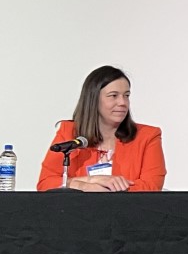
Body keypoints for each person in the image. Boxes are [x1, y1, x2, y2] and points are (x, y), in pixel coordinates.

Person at [37, 66, 166, 192]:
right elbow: (46, 183)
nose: (122, 102)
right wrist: (89, 183)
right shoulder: (69, 132)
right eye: (113, 95)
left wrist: (104, 189)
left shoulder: (148, 136)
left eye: (126, 95)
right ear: (93, 99)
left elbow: (151, 186)